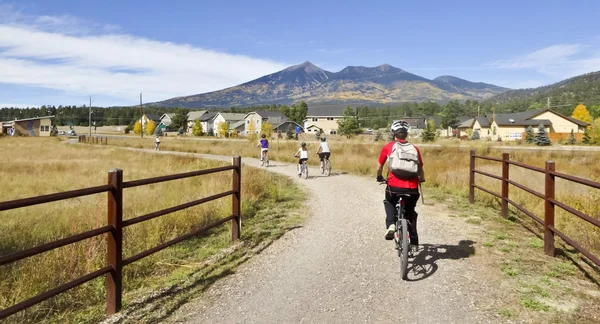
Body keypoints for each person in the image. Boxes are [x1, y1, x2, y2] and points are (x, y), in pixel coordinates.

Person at [376, 120, 425, 244]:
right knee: (410, 212)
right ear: (406, 134)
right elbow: (420, 168)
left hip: (394, 186)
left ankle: (391, 225)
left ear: (394, 134)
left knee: (388, 201)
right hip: (412, 188)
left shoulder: (389, 147)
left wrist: (379, 176)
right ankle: (414, 241)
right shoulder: (414, 148)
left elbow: (379, 166)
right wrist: (422, 179)